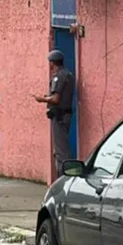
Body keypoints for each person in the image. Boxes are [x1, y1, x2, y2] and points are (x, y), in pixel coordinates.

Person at [33, 50, 75, 178]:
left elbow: (56, 99)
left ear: (52, 63)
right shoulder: (68, 74)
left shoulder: (59, 76)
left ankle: (63, 179)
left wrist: (42, 99)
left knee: (61, 152)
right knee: (62, 148)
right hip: (65, 115)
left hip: (60, 116)